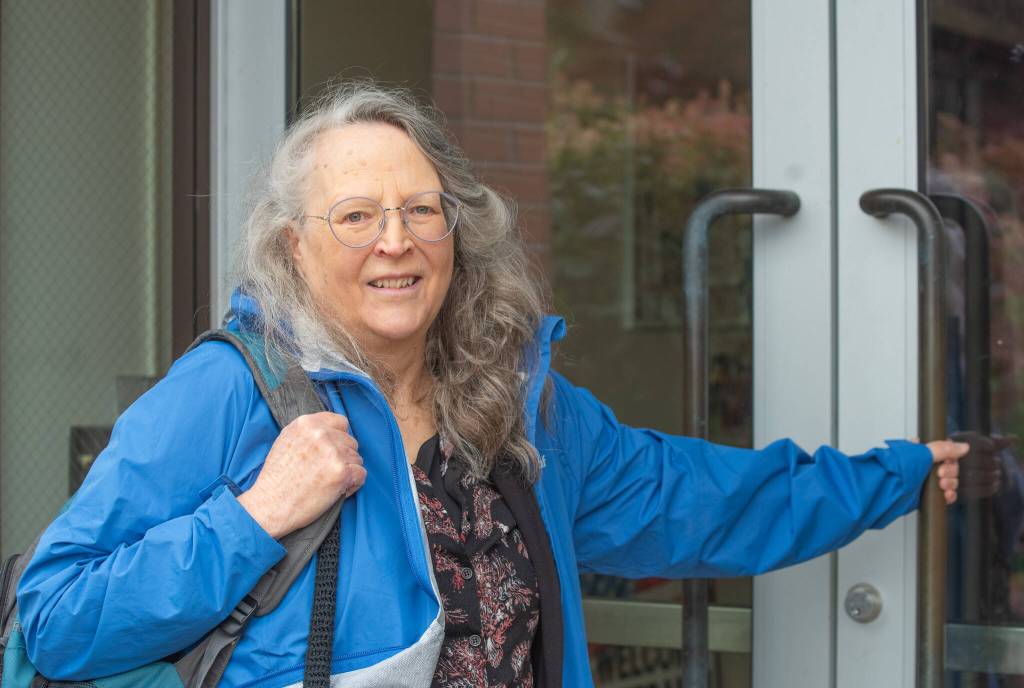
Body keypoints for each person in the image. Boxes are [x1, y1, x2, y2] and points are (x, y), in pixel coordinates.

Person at [16, 82, 966, 687]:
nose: (395, 241)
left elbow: (703, 500)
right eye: (355, 216)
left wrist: (898, 475)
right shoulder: (230, 394)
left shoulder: (514, 406)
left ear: (455, 231)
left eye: (419, 209)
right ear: (294, 248)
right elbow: (56, 622)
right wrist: (252, 518)